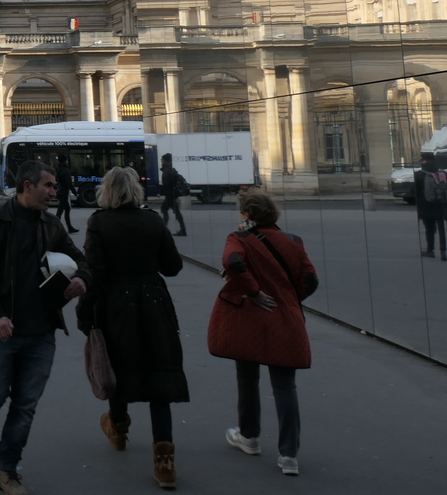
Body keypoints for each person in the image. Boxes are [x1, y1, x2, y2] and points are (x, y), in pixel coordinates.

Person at [0, 160, 90, 495]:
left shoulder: (51, 226)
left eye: (54, 186)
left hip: (41, 333)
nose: (55, 191)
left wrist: (82, 278)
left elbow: (81, 259)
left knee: (25, 406)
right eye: (49, 186)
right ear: (27, 186)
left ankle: (7, 469)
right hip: (3, 330)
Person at [78, 166, 189, 490]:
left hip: (115, 303)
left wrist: (85, 314)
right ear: (137, 192)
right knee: (160, 375)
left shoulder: (99, 222)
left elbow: (95, 274)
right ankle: (164, 463)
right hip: (153, 302)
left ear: (106, 192)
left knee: (117, 366)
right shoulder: (153, 220)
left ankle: (119, 428)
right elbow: (173, 267)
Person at [206, 190, 319, 477]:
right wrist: (290, 301)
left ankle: (249, 436)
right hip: (284, 318)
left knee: (247, 377)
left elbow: (232, 262)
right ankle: (289, 455)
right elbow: (310, 279)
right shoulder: (294, 242)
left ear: (247, 215)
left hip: (249, 317)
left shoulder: (238, 238)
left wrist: (253, 291)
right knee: (285, 387)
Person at [414, 154, 447, 261]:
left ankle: (430, 250)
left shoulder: (418, 175)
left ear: (424, 161)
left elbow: (416, 193)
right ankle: (443, 251)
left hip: (426, 206)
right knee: (441, 227)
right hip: (441, 205)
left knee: (429, 228)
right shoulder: (443, 174)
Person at [157, 154, 186, 237]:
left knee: (165, 210)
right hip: (172, 194)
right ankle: (182, 230)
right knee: (175, 212)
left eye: (161, 160)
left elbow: (166, 184)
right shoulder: (172, 169)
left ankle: (164, 230)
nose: (161, 161)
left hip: (170, 195)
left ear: (164, 160)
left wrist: (160, 192)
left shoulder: (167, 171)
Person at [55, 156, 79, 233]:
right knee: (60, 211)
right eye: (67, 160)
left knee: (65, 209)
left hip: (59, 192)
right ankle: (54, 227)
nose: (68, 162)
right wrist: (75, 193)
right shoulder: (66, 170)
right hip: (64, 192)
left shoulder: (57, 169)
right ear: (65, 161)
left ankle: (69, 227)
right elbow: (69, 183)